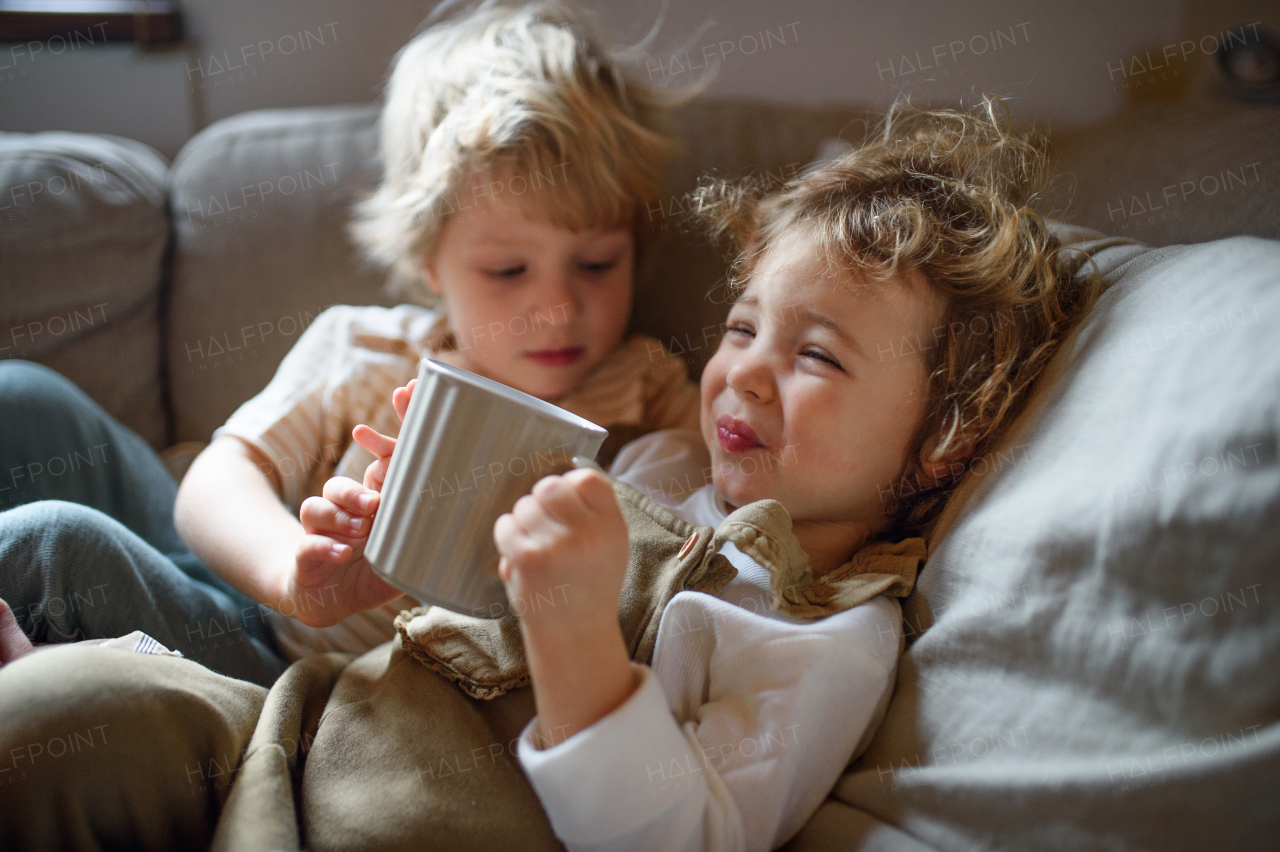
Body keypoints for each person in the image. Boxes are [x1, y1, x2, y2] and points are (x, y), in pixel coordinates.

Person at [0, 100, 1101, 852]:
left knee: (58, 678)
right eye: (739, 325)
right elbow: (471, 622)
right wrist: (387, 534)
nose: (742, 374)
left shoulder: (825, 635)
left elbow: (681, 835)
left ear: (943, 440)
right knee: (43, 577)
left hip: (327, 786)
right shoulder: (668, 465)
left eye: (813, 355)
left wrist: (573, 635)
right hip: (311, 713)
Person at [0, 1, 697, 683]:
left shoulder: (643, 387)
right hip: (252, 576)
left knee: (52, 543)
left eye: (598, 263)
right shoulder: (365, 350)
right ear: (430, 263)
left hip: (279, 670)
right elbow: (220, 480)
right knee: (22, 398)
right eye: (508, 270)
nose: (557, 309)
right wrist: (292, 573)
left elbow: (731, 513)